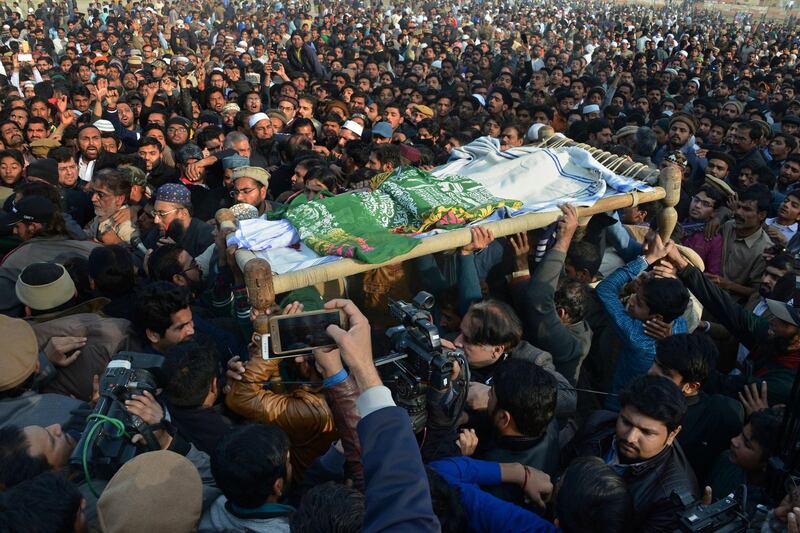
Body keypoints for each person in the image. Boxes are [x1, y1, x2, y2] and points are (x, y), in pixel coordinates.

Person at [562, 374, 698, 532]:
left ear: (673, 434)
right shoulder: (598, 424)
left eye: (646, 432)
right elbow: (563, 463)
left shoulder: (671, 498)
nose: (630, 437)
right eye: (626, 422)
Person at [595, 232, 690, 409]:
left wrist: (648, 259)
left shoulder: (636, 336)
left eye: (639, 303)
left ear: (656, 317)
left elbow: (605, 290)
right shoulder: (678, 322)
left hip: (618, 405)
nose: (631, 301)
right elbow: (676, 297)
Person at [647, 334, 744, 484]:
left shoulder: (718, 416)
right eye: (655, 363)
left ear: (691, 386)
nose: (652, 372)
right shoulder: (642, 396)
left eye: (666, 373)